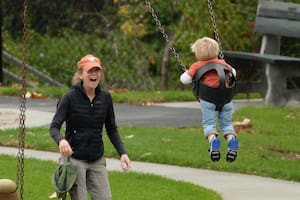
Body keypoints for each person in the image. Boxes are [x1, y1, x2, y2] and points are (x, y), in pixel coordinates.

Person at [49, 54, 131, 200]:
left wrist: (122, 153)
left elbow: (111, 129)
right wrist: (61, 141)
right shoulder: (69, 98)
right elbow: (54, 127)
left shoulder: (105, 98)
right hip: (75, 159)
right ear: (81, 75)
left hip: (97, 159)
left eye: (97, 71)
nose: (94, 74)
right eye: (90, 71)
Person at [180, 37, 238, 162]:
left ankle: (213, 141)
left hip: (208, 99)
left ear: (197, 54)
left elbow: (184, 80)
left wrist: (188, 73)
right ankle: (232, 141)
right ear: (216, 51)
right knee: (227, 124)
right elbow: (234, 72)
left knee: (209, 123)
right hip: (226, 99)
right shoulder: (223, 63)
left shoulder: (197, 65)